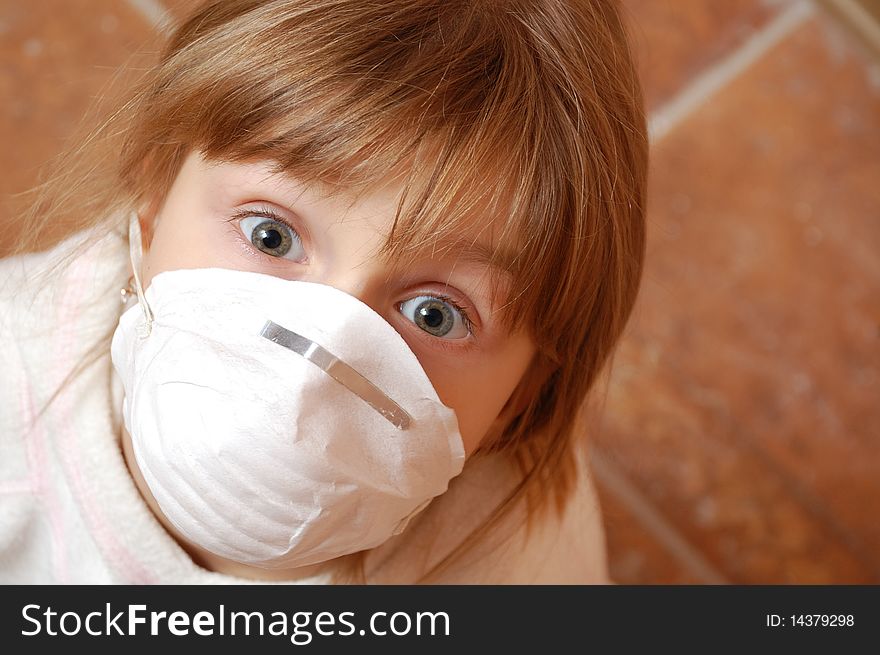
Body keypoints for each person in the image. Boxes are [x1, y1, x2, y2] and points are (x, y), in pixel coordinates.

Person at [0, 0, 648, 584]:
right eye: (271, 236)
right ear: (155, 196)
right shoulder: (13, 380)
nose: (318, 357)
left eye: (434, 313)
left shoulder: (520, 559)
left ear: (522, 400)